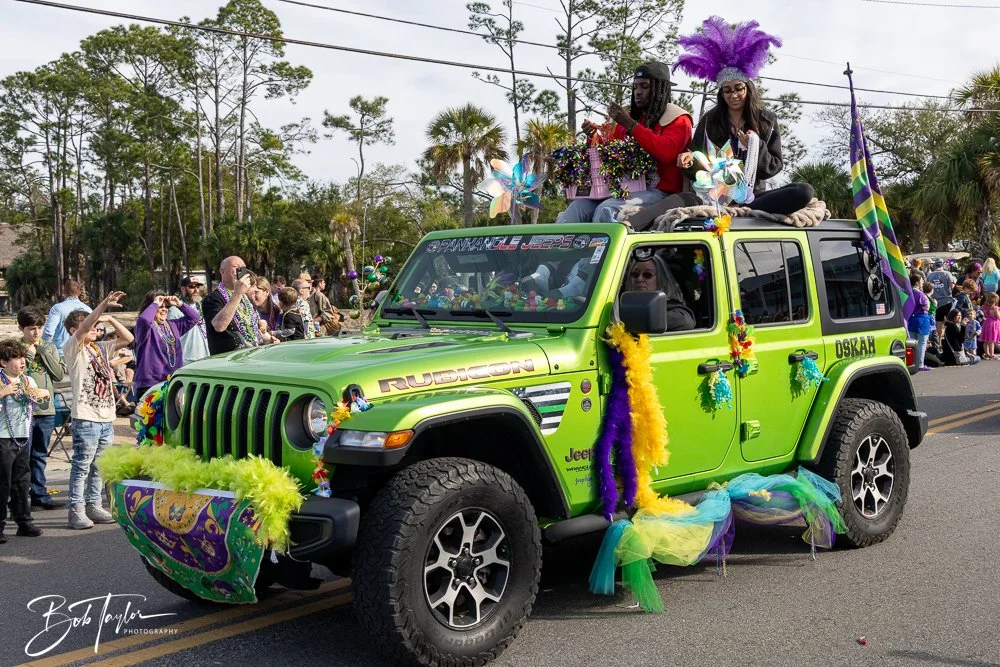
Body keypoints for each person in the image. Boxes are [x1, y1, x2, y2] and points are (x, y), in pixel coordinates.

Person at [674, 17, 814, 217]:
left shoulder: (767, 119)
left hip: (754, 196)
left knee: (803, 191)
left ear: (748, 88)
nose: (734, 95)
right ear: (721, 93)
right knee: (691, 199)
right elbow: (697, 165)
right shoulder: (709, 120)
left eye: (738, 89)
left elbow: (773, 167)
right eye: (727, 91)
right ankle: (731, 210)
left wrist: (754, 147)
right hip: (715, 195)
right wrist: (689, 159)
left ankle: (742, 210)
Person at [556, 61, 694, 226]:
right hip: (622, 189)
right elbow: (611, 153)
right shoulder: (631, 118)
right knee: (575, 210)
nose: (638, 92)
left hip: (660, 192)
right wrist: (593, 137)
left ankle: (604, 252)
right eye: (635, 87)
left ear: (660, 89)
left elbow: (667, 152)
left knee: (606, 210)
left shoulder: (678, 119)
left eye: (644, 86)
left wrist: (632, 126)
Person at [63, 292, 133, 530]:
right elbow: (85, 327)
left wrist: (111, 320)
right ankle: (76, 510)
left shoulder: (99, 349)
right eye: (91, 327)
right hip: (86, 417)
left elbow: (128, 338)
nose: (95, 330)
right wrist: (102, 305)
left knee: (99, 466)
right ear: (75, 330)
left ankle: (94, 505)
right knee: (82, 466)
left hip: (105, 416)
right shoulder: (74, 348)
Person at [17, 307, 66, 510]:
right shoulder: (14, 348)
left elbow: (58, 374)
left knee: (39, 455)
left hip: (45, 410)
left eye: (39, 327)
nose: (36, 332)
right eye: (31, 328)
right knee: (21, 458)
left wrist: (43, 352)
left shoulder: (49, 347)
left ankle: (39, 496)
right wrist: (27, 357)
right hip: (21, 411)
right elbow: (15, 376)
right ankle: (19, 500)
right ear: (21, 328)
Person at [0, 339, 49, 542]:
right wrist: (3, 392)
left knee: (22, 480)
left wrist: (42, 395)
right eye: (16, 358)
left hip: (23, 436)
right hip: (3, 437)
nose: (21, 362)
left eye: (22, 358)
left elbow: (42, 403)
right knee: (2, 482)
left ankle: (23, 521)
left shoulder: (28, 380)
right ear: (3, 362)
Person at [202, 257, 279, 355]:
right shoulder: (213, 298)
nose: (240, 271)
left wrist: (268, 339)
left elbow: (253, 327)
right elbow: (219, 326)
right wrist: (237, 294)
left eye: (243, 268)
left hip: (251, 355)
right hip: (228, 359)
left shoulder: (245, 298)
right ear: (222, 271)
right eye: (236, 267)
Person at [133, 291, 201, 400]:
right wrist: (155, 303)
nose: (164, 309)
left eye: (166, 306)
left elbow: (194, 318)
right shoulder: (144, 328)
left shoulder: (173, 325)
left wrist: (180, 304)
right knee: (152, 417)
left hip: (172, 383)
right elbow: (144, 319)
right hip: (150, 385)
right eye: (160, 306)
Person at [625, 250, 696, 331]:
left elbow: (685, 321)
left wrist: (634, 322)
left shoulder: (671, 307)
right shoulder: (619, 304)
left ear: (661, 279)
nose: (639, 279)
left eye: (647, 275)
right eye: (635, 274)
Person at [168, 276, 210, 364]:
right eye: (192, 287)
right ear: (183, 289)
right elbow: (170, 337)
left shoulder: (203, 306)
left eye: (197, 287)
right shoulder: (175, 309)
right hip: (186, 359)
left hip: (205, 357)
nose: (196, 290)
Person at [42, 279, 92, 353]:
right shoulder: (89, 310)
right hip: (83, 353)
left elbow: (48, 333)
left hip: (62, 353)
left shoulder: (57, 308)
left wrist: (44, 349)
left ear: (64, 293)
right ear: (79, 293)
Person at [907, 274, 933, 371]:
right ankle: (920, 364)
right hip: (922, 318)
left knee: (913, 342)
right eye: (921, 280)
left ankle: (913, 363)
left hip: (911, 319)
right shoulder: (920, 294)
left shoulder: (909, 293)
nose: (922, 282)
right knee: (922, 343)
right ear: (917, 282)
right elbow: (925, 307)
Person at [926, 259, 956, 339]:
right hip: (947, 301)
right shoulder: (947, 274)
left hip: (936, 303)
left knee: (938, 322)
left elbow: (927, 287)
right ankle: (949, 339)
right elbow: (952, 286)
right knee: (950, 322)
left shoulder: (930, 275)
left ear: (935, 265)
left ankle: (939, 341)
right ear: (943, 265)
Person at [981, 292, 1000, 360]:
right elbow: (998, 317)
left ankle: (987, 354)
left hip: (986, 323)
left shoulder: (985, 307)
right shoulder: (995, 308)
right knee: (992, 341)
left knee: (986, 340)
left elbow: (985, 315)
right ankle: (992, 354)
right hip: (993, 324)